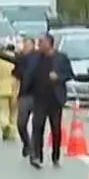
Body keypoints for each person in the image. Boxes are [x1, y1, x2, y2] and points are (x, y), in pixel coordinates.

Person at [23, 33, 74, 168]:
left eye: (42, 42)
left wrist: (58, 76)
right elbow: (26, 71)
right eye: (39, 42)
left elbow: (69, 74)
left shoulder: (61, 58)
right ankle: (37, 156)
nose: (39, 44)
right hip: (39, 99)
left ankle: (55, 156)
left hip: (55, 99)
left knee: (55, 128)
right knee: (37, 127)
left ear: (50, 43)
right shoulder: (35, 58)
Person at [0, 41, 18, 141]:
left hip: (2, 87)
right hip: (15, 87)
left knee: (3, 111)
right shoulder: (17, 58)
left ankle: (5, 125)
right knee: (14, 113)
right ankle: (12, 132)